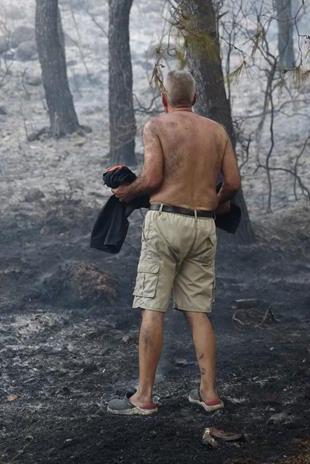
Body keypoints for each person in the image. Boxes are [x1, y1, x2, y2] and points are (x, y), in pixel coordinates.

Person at [106, 70, 241, 416]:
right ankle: (209, 393)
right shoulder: (217, 131)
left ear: (164, 99)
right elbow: (234, 183)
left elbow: (152, 178)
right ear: (194, 99)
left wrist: (127, 192)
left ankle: (144, 397)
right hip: (203, 225)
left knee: (153, 308)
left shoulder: (156, 126)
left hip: (166, 222)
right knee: (198, 311)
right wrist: (216, 202)